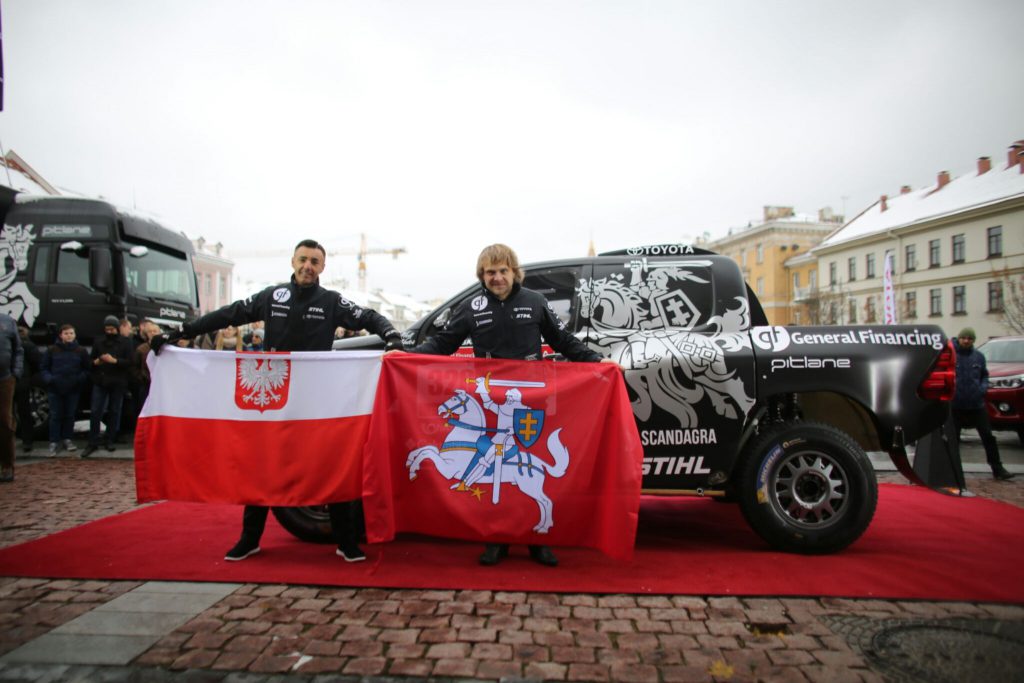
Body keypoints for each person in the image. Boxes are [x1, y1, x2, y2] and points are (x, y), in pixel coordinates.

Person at [151, 239, 405, 562]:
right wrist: (180, 332)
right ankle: (249, 539)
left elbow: (368, 316)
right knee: (264, 466)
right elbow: (229, 314)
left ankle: (345, 540)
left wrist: (392, 337)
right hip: (275, 398)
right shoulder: (272, 297)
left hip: (316, 400)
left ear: (322, 268)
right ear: (293, 261)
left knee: (331, 464)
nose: (308, 266)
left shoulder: (331, 301)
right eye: (303, 259)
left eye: (314, 262)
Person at [407, 243, 618, 567]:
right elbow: (443, 343)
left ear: (514, 272)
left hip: (530, 400)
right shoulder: (470, 306)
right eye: (490, 272)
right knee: (496, 468)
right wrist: (407, 357)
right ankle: (497, 539)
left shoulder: (535, 302)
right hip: (492, 400)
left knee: (527, 467)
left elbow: (563, 340)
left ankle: (538, 541)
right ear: (482, 275)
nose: (497, 278)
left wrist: (597, 361)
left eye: (503, 271)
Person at [952, 327, 1015, 481]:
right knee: (953, 440)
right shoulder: (951, 356)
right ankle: (953, 471)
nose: (966, 341)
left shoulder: (978, 357)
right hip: (955, 405)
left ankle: (997, 468)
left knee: (988, 436)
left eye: (970, 339)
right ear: (959, 339)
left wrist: (982, 389)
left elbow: (984, 375)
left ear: (973, 340)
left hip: (977, 404)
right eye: (964, 338)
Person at [81, 315, 133, 458]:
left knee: (115, 411)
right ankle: (93, 441)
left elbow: (130, 362)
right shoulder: (98, 341)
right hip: (101, 380)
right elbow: (91, 360)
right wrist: (96, 362)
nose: (109, 332)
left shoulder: (126, 342)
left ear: (117, 328)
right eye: (107, 329)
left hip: (117, 381)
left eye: (112, 329)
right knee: (96, 411)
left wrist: (115, 361)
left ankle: (110, 439)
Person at [40, 324, 90, 456]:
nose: (69, 336)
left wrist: (78, 379)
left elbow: (87, 369)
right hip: (55, 388)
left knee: (70, 415)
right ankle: (54, 441)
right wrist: (50, 379)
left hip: (73, 388)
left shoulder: (81, 351)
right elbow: (44, 368)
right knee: (55, 415)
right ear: (61, 335)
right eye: (66, 333)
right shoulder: (51, 350)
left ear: (75, 335)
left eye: (71, 333)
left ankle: (68, 439)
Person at [0, 313, 24, 483]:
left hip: (4, 379)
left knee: (4, 422)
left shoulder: (7, 322)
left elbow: (18, 350)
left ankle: (7, 465)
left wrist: (15, 374)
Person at [14, 326, 41, 452]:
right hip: (23, 381)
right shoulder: (29, 345)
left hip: (9, 380)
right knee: (24, 411)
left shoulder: (8, 343)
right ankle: (27, 441)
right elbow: (37, 362)